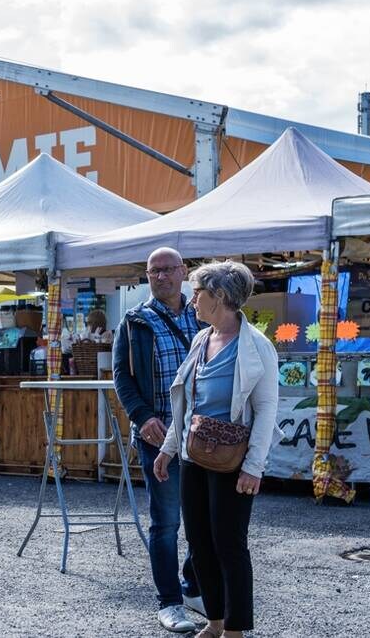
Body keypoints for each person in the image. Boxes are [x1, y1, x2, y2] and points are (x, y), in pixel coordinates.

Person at [154, 261, 279, 638]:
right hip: (194, 455)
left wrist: (254, 467)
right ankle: (215, 621)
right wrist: (168, 449)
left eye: (198, 293)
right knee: (198, 542)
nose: (192, 300)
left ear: (220, 296)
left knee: (229, 544)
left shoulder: (257, 347)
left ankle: (235, 630)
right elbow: (187, 403)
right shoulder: (201, 339)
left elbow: (266, 409)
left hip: (233, 459)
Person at [112, 246, 206, 633]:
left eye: (169, 269)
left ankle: (193, 585)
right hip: (158, 434)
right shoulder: (134, 320)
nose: (162, 276)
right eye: (155, 271)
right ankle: (169, 602)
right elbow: (122, 376)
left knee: (204, 519)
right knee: (166, 522)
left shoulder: (204, 314)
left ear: (184, 271)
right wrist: (142, 416)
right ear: (148, 277)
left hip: (202, 435)